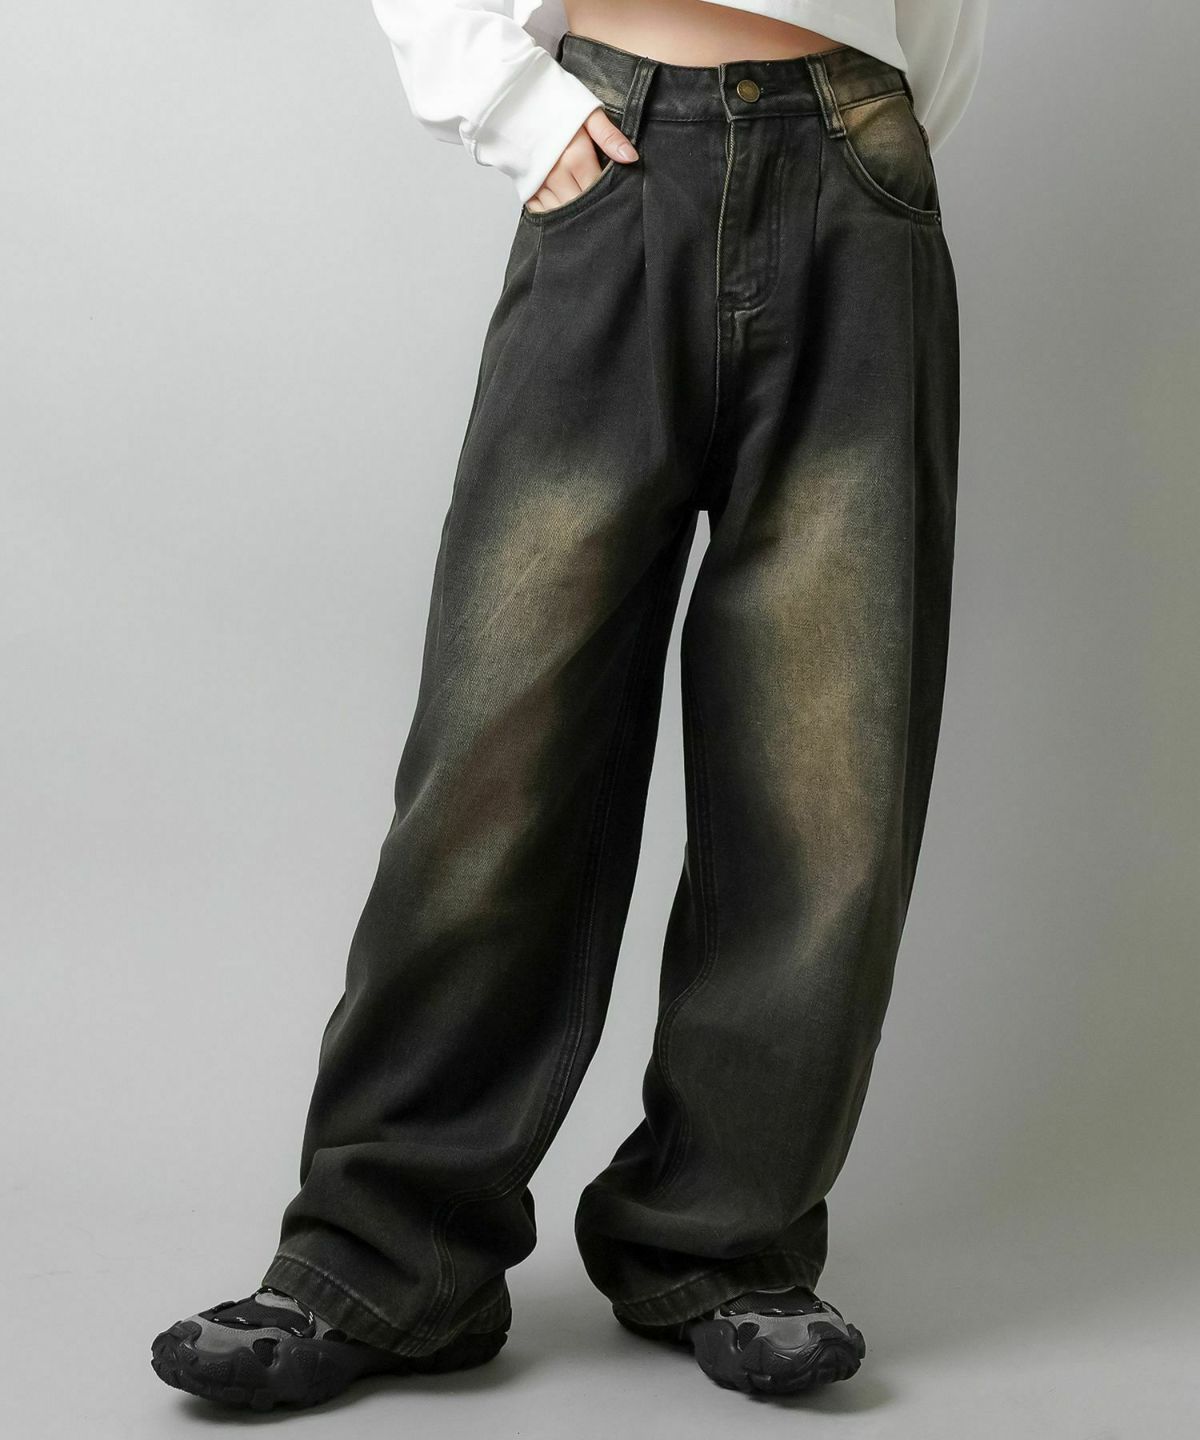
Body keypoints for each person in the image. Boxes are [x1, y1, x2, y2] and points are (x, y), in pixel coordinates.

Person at [150, 0, 988, 1411]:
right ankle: (385, 1257)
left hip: (860, 164)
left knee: (830, 770)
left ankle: (723, 1242)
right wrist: (512, 102)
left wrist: (877, 137)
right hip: (619, 146)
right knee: (498, 746)